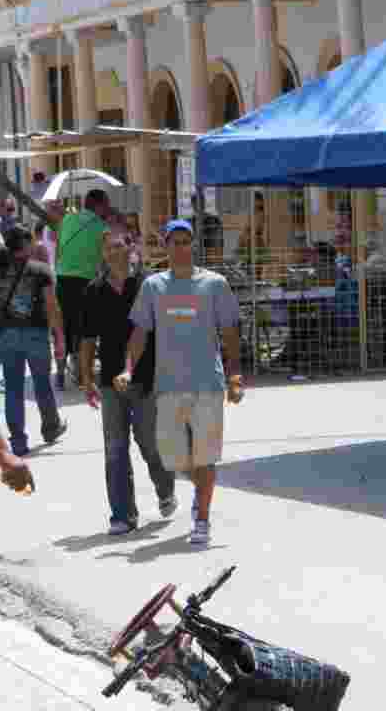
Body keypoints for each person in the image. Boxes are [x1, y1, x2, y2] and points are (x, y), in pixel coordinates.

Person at [115, 219, 244, 547]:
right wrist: (130, 369)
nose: (181, 247)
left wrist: (235, 375)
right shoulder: (153, 286)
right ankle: (201, 488)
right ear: (166, 246)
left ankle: (202, 519)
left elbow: (229, 331)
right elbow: (140, 332)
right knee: (172, 458)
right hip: (168, 385)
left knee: (206, 457)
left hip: (208, 384)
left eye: (186, 241)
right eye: (175, 242)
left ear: (193, 245)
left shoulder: (215, 283)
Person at [79, 230, 177, 535]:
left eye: (118, 246)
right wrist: (85, 377)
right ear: (103, 254)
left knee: (150, 444)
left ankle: (165, 489)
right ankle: (122, 515)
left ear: (129, 248)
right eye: (107, 248)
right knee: (115, 448)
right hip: (110, 381)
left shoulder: (150, 285)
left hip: (148, 377)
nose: (113, 252)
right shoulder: (93, 291)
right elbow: (87, 338)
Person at [0, 224, 68, 456]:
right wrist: (59, 338)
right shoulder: (41, 270)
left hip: (7, 335)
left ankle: (18, 441)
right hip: (36, 334)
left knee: (13, 388)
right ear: (26, 244)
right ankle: (51, 428)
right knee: (42, 385)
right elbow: (52, 306)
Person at [51, 188, 110, 389]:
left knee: (62, 327)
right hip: (85, 281)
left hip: (62, 279)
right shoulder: (102, 227)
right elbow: (105, 259)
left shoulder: (67, 220)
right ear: (98, 205)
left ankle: (59, 373)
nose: (108, 208)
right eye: (106, 204)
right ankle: (79, 373)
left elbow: (58, 248)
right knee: (82, 326)